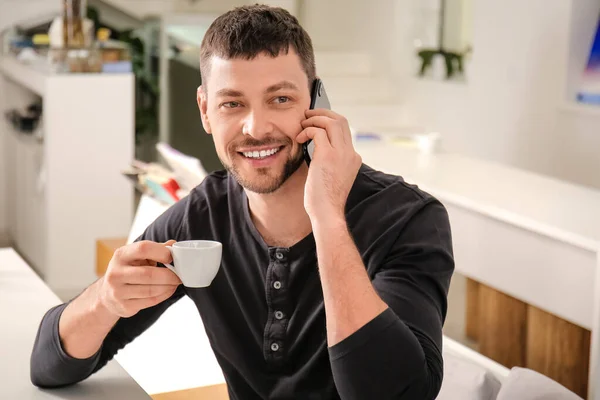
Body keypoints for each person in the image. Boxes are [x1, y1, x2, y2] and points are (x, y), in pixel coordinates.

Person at [30, 4, 454, 399]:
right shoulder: (200, 218)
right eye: (232, 103)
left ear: (317, 101)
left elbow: (397, 394)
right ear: (205, 111)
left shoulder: (408, 220)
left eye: (281, 99)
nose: (256, 127)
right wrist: (105, 298)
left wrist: (326, 217)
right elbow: (49, 366)